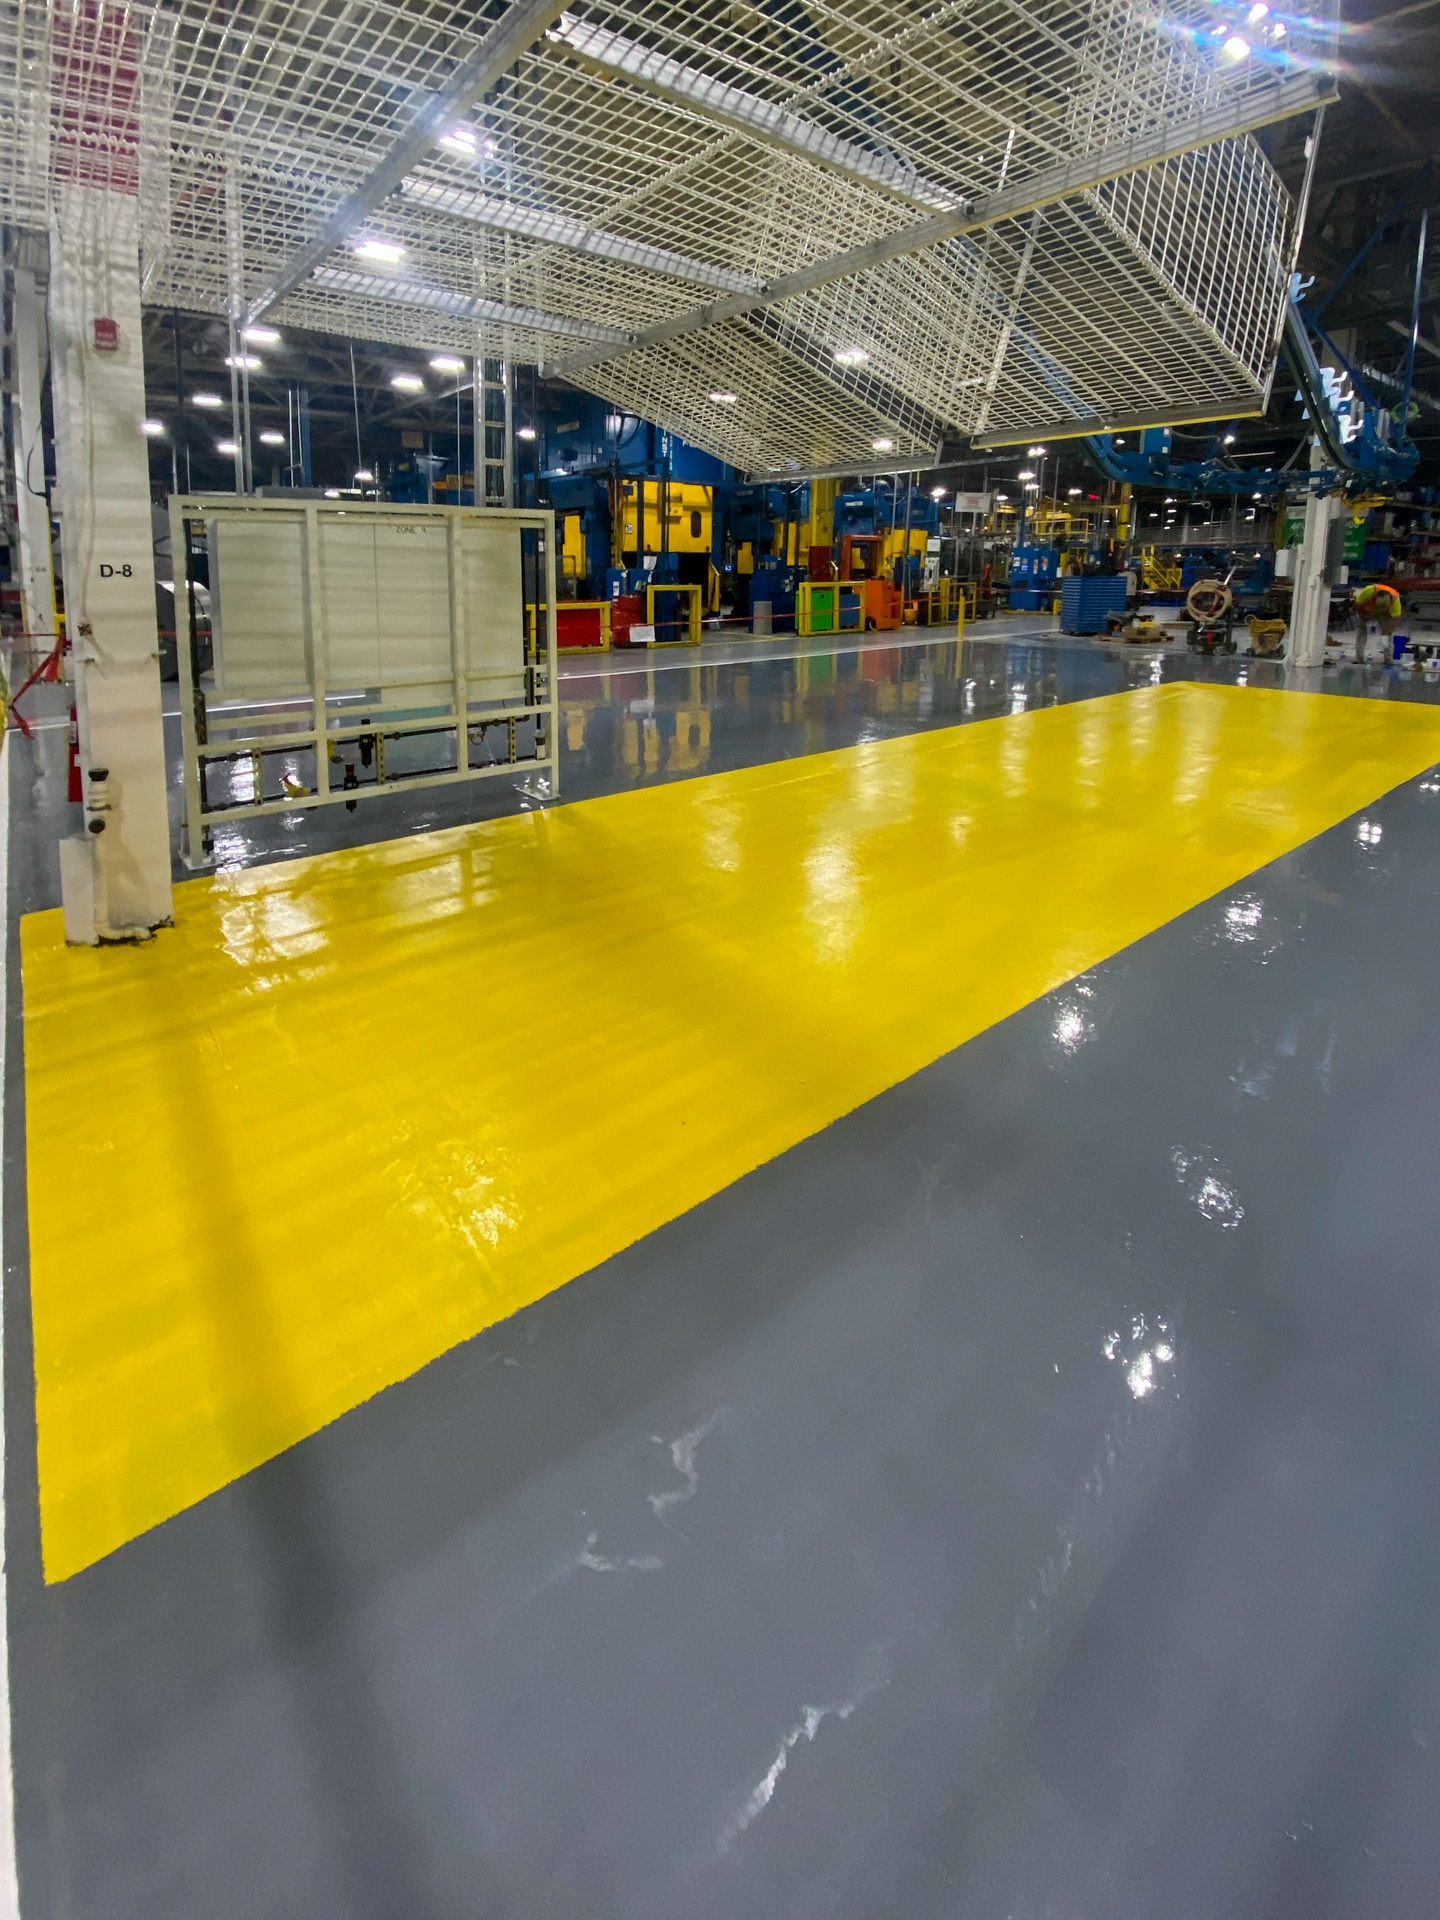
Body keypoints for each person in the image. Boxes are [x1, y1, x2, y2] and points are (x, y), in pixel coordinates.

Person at [1352, 581, 1403, 665]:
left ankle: (1388, 658)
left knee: (1388, 635)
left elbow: (1396, 618)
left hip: (1385, 614)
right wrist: (1362, 616)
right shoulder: (1368, 591)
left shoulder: (1395, 599)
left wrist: (1388, 629)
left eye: (1384, 606)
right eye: (1380, 605)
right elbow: (1358, 604)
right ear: (1375, 597)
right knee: (1362, 631)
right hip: (1367, 610)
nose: (1381, 608)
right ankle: (1359, 658)